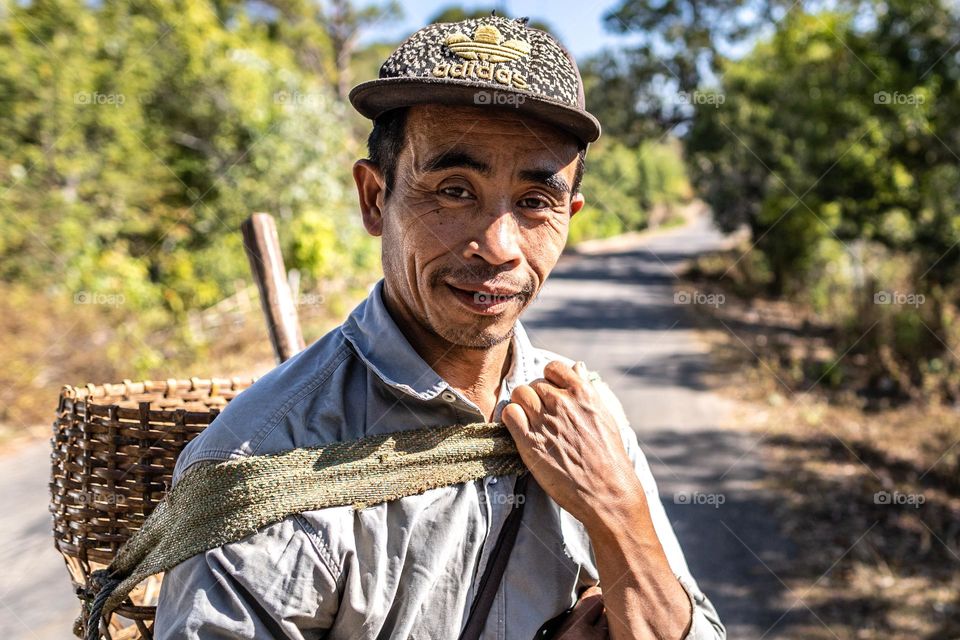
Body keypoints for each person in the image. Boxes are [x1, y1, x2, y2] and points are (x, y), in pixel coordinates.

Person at [155, 14, 726, 640]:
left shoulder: (587, 421)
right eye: (454, 190)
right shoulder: (261, 461)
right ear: (375, 198)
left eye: (535, 202)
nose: (499, 247)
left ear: (570, 213)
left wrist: (618, 515)